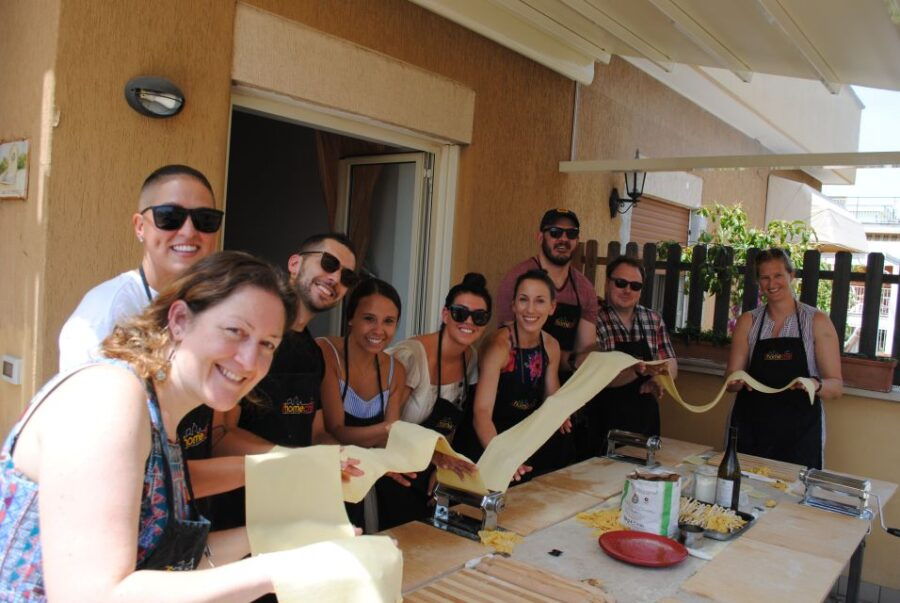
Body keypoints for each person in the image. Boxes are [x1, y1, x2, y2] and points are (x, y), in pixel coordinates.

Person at [0, 251, 317, 600]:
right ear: (179, 319)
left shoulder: (162, 417)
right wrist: (280, 570)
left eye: (267, 344)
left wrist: (279, 537)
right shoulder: (108, 396)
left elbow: (169, 566)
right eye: (235, 331)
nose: (248, 360)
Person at [56, 164, 235, 496]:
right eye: (170, 216)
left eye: (205, 220)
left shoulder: (208, 307)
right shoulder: (108, 315)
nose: (188, 231)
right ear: (140, 226)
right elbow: (93, 455)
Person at [211, 233, 357, 532]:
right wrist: (292, 459)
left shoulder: (313, 353)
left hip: (290, 510)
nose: (335, 278)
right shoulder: (245, 344)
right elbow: (219, 438)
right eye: (329, 263)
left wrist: (341, 458)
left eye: (347, 276)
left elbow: (315, 433)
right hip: (234, 514)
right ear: (294, 263)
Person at [378, 273, 490, 529]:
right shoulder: (411, 357)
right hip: (394, 469)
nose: (469, 322)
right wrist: (433, 460)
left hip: (432, 470)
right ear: (445, 314)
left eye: (479, 317)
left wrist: (443, 467)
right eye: (460, 313)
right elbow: (388, 429)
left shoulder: (469, 357)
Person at [725, 248, 842, 469]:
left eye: (778, 275)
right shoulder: (748, 322)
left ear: (791, 275)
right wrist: (736, 381)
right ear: (758, 282)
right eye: (765, 278)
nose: (772, 284)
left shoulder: (816, 321)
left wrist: (814, 385)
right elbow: (730, 379)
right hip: (750, 426)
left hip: (800, 432)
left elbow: (835, 387)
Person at [456, 269, 569, 480]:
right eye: (523, 300)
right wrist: (503, 458)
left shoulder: (551, 346)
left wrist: (561, 412)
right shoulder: (498, 346)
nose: (530, 309)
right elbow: (481, 413)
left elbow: (551, 401)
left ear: (552, 307)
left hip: (521, 440)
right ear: (513, 305)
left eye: (540, 301)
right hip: (487, 441)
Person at [317, 278, 407, 530]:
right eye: (369, 318)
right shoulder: (325, 353)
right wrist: (387, 429)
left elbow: (385, 441)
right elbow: (335, 429)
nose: (379, 330)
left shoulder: (395, 370)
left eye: (389, 321)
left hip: (365, 476)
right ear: (350, 318)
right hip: (327, 472)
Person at [588, 255, 677, 452]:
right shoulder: (594, 320)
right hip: (603, 421)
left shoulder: (653, 319)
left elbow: (671, 363)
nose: (627, 290)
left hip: (645, 422)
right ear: (607, 282)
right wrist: (639, 370)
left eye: (635, 286)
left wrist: (658, 381)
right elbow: (599, 376)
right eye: (621, 283)